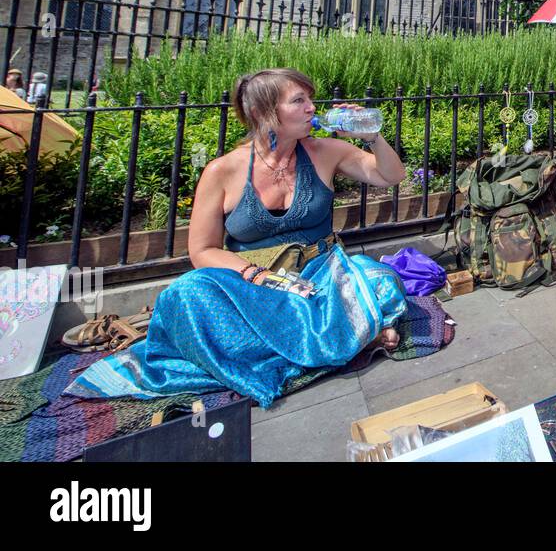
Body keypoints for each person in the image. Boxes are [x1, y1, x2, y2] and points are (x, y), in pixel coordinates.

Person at [68, 68, 411, 407]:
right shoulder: (224, 170)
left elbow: (390, 175)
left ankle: (322, 340)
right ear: (263, 113)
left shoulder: (326, 151)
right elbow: (202, 250)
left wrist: (372, 136)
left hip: (319, 277)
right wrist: (259, 276)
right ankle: (350, 335)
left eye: (310, 99)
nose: (311, 108)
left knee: (378, 276)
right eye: (299, 100)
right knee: (185, 294)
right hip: (253, 286)